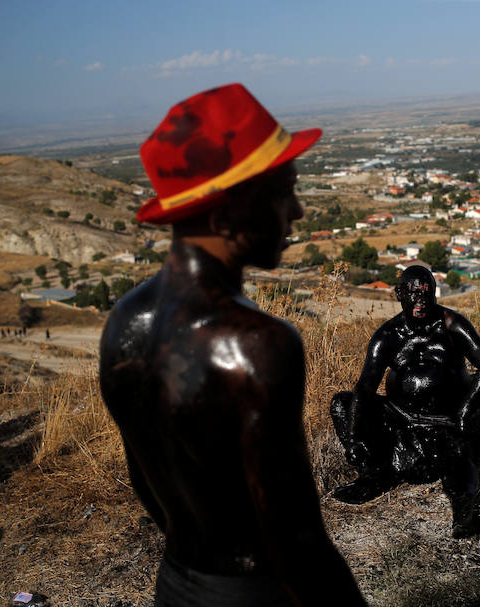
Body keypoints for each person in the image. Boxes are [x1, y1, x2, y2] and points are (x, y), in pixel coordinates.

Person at [99, 84, 365, 607]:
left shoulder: (126, 321)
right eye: (283, 191)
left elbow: (147, 483)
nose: (299, 209)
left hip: (177, 584)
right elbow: (296, 539)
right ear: (225, 216)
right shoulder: (259, 347)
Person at [330, 265, 480, 537]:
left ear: (434, 293)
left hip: (443, 420)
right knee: (342, 403)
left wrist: (463, 413)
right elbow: (365, 388)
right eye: (412, 293)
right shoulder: (387, 336)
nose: (419, 300)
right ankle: (373, 475)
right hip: (400, 417)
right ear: (400, 294)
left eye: (426, 293)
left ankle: (467, 512)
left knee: (456, 457)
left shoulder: (451, 325)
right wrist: (353, 438)